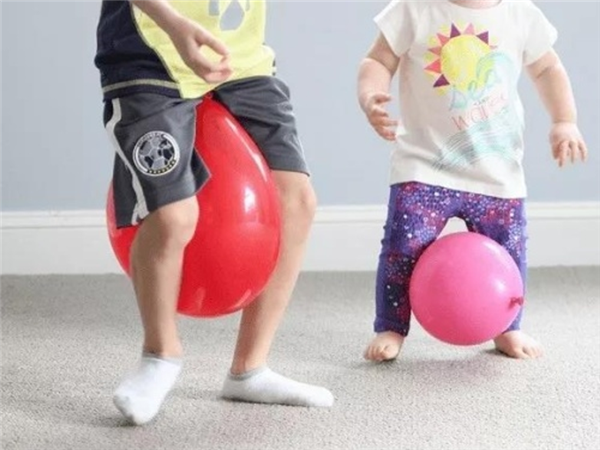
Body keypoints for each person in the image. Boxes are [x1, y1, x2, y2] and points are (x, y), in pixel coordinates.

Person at [95, 0, 333, 425]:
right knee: (173, 215)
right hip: (150, 58)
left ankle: (250, 369)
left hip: (239, 61)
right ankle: (159, 354)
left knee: (297, 202)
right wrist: (173, 23)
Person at [357, 0, 588, 362]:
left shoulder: (521, 14)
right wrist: (371, 96)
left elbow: (547, 68)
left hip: (496, 171)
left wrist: (564, 120)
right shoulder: (414, 9)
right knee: (402, 248)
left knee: (509, 252)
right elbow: (378, 60)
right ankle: (391, 326)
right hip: (424, 165)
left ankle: (507, 326)